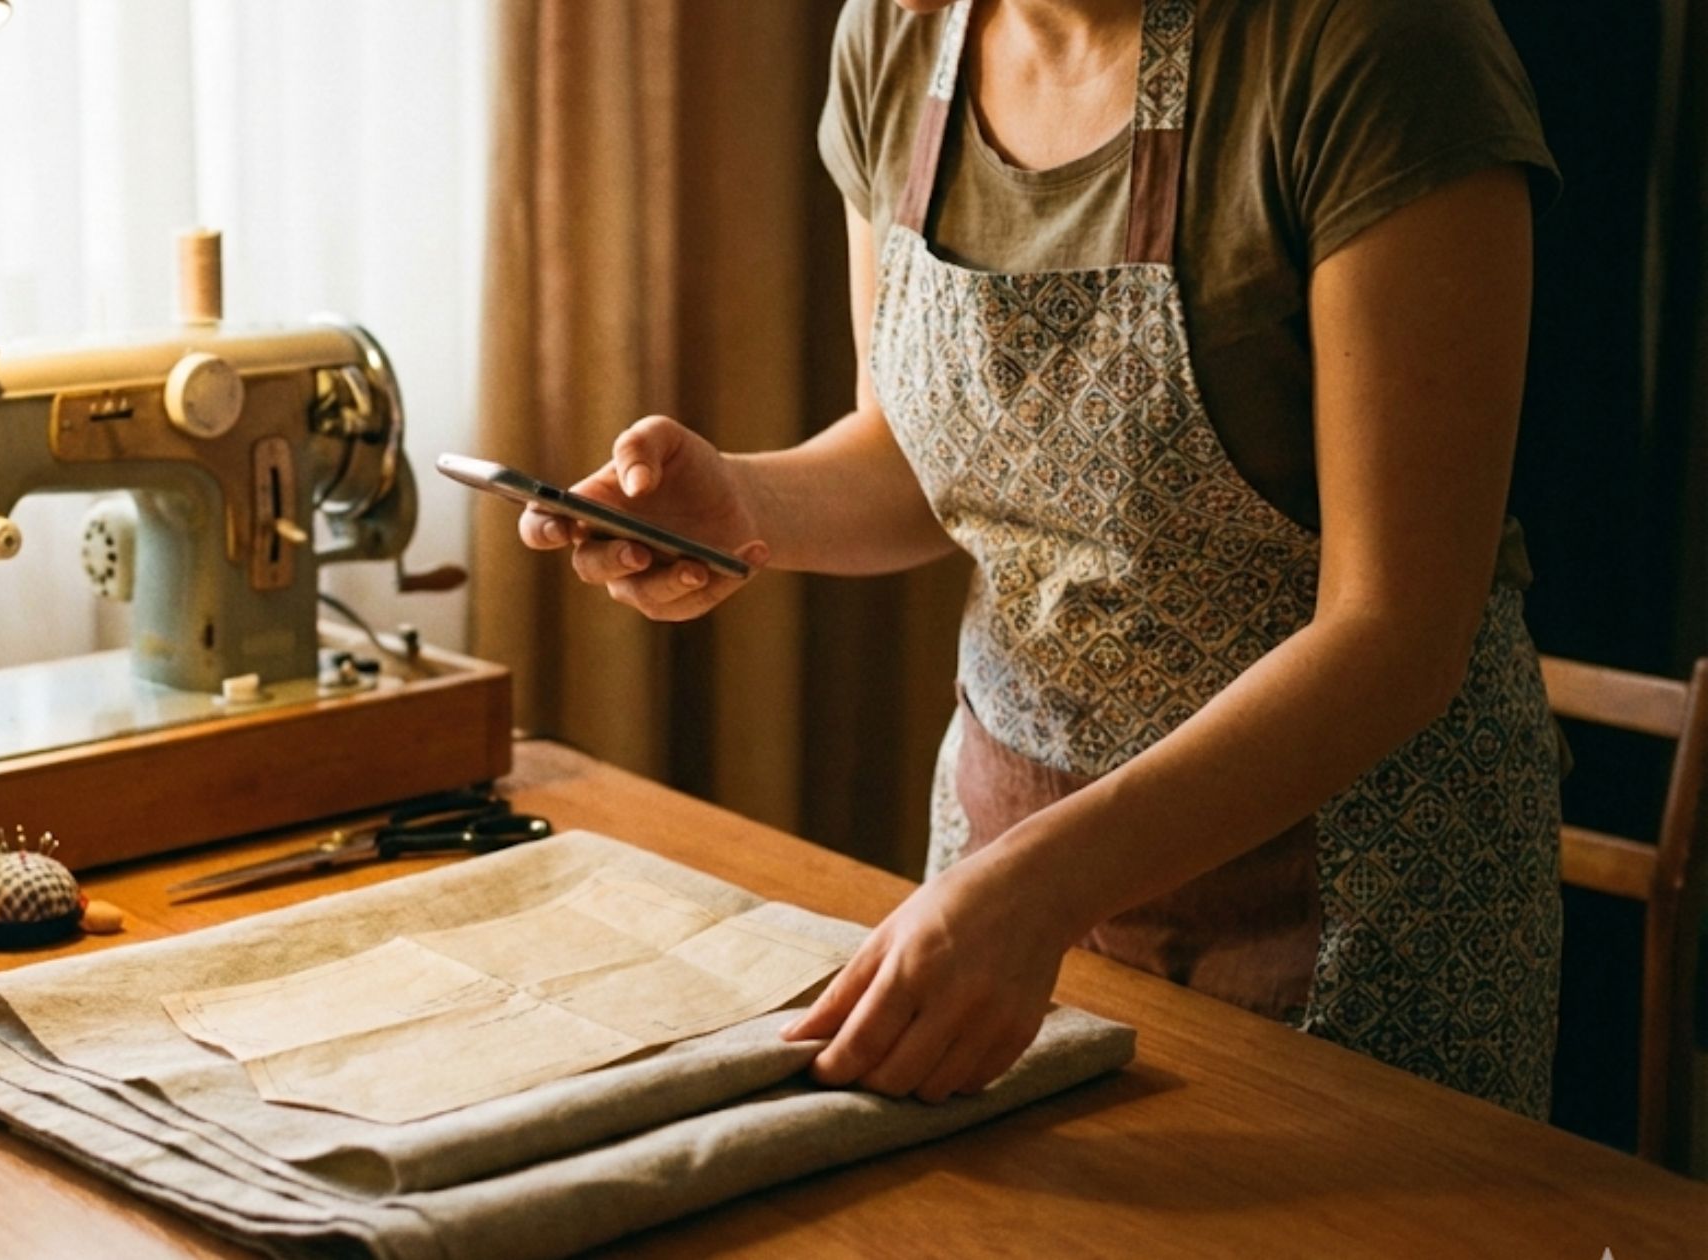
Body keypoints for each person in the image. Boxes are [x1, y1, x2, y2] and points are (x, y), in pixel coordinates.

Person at [517, 0, 1565, 1118]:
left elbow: (1396, 632)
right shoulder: (896, 37)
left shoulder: (1375, 48)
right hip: (1008, 862)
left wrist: (1037, 888)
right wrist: (739, 501)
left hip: (1353, 895)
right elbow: (916, 455)